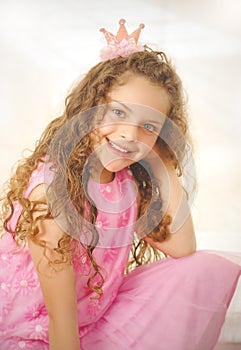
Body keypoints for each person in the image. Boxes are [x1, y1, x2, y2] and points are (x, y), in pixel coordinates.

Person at [0, 19, 240, 350]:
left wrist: (160, 157)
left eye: (148, 126)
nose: (129, 135)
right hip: (41, 333)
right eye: (117, 112)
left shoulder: (127, 182)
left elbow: (184, 248)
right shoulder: (51, 196)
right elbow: (61, 319)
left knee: (203, 267)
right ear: (89, 110)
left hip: (93, 319)